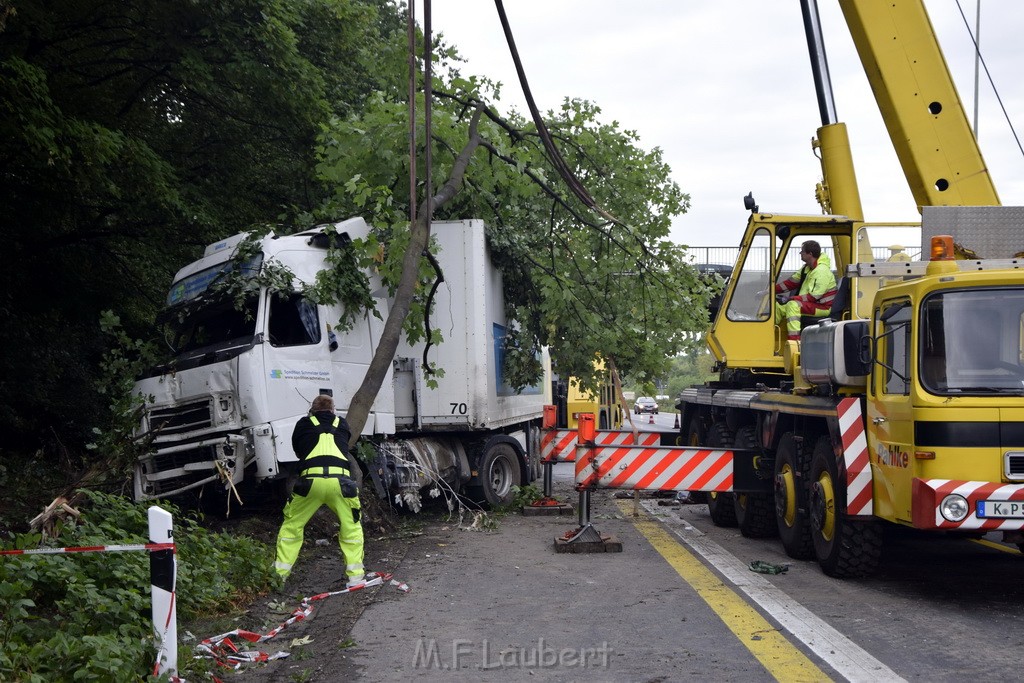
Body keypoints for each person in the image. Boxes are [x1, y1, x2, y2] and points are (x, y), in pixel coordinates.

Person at [274, 394, 365, 587]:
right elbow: (344, 445)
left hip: (310, 482)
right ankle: (356, 577)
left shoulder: (303, 424)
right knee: (351, 527)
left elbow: (298, 451)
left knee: (292, 526)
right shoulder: (341, 423)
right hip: (340, 483)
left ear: (312, 410)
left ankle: (280, 575)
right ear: (332, 410)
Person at [774, 240, 837, 341]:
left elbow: (814, 297)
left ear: (810, 254)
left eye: (802, 251)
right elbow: (791, 283)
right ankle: (767, 333)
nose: (800, 253)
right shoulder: (807, 268)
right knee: (778, 306)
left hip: (822, 308)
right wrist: (770, 290)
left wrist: (790, 298)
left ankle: (795, 342)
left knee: (793, 305)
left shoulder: (821, 271)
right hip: (809, 304)